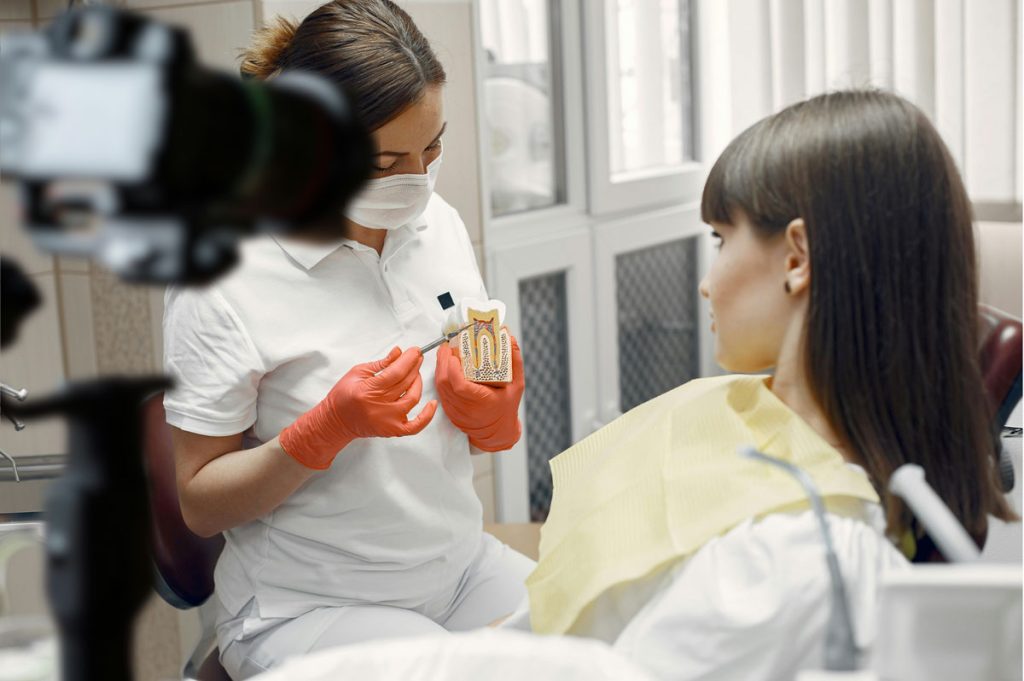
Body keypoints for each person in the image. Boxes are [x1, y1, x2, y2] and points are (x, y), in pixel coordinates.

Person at [504, 89, 1016, 680]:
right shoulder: (726, 410)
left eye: (722, 239)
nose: (706, 283)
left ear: (797, 258)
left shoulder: (800, 554)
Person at [162, 2, 533, 678]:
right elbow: (199, 504)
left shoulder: (438, 224)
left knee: (601, 631)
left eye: (432, 147)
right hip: (307, 607)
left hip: (456, 571)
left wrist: (495, 413)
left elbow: (486, 433)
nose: (417, 180)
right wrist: (322, 432)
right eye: (386, 161)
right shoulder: (222, 272)